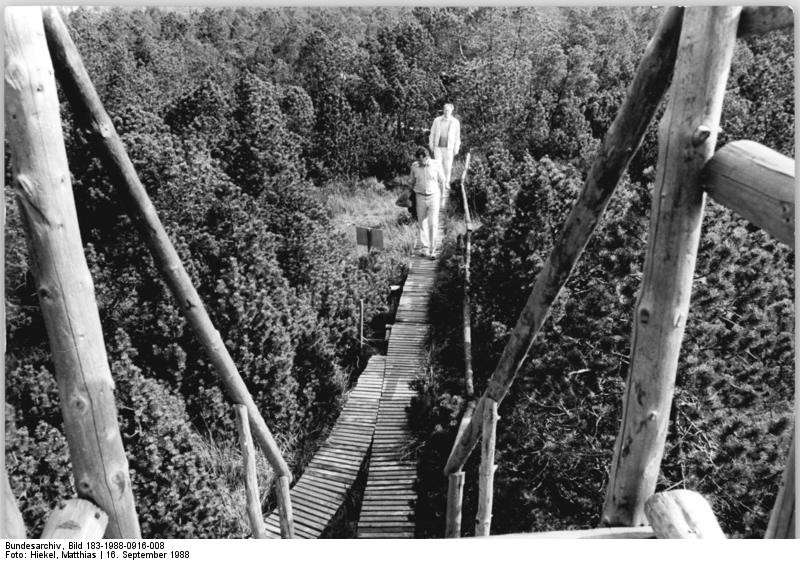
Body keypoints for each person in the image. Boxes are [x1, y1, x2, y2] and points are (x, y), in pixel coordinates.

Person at [409, 146, 445, 259]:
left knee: (433, 223)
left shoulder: (436, 165)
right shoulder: (414, 167)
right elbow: (412, 182)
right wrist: (407, 195)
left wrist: (442, 198)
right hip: (419, 196)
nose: (419, 162)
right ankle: (424, 248)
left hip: (434, 196)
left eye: (421, 160)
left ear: (427, 157)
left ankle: (432, 250)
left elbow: (442, 181)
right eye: (417, 160)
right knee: (422, 223)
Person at [428, 103, 461, 191]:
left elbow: (457, 137)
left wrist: (456, 148)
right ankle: (439, 183)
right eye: (445, 110)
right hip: (438, 147)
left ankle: (446, 183)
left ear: (451, 111)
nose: (446, 112)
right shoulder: (437, 120)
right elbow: (432, 133)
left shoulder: (455, 122)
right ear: (443, 110)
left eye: (448, 110)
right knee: (438, 165)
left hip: (449, 148)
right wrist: (431, 144)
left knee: (447, 166)